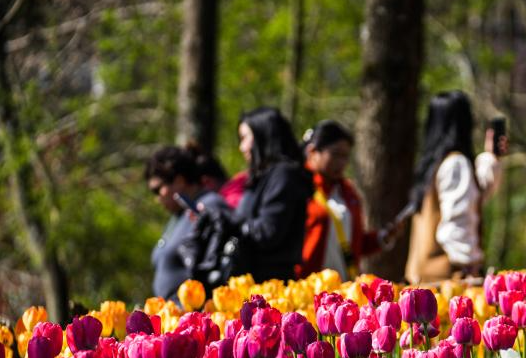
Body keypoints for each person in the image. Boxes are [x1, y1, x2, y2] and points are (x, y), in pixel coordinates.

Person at [405, 90, 504, 284]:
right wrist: (469, 266)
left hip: (424, 277)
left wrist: (491, 157)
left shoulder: (433, 165)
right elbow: (458, 221)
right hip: (449, 280)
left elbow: (471, 198)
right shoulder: (456, 163)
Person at [299, 121, 393, 280]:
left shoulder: (348, 193)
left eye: (345, 157)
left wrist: (380, 238)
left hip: (343, 285)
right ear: (312, 152)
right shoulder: (298, 187)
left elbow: (354, 243)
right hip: (306, 285)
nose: (342, 163)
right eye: (335, 154)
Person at [230, 107, 314, 282]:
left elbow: (268, 232)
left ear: (263, 136)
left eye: (245, 138)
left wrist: (226, 220)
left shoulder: (283, 175)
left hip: (270, 284)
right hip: (251, 279)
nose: (241, 147)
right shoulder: (261, 177)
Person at [146, 145, 230, 301]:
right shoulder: (178, 216)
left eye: (158, 190)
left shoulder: (210, 205)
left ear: (179, 180)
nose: (157, 199)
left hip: (199, 310)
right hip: (171, 310)